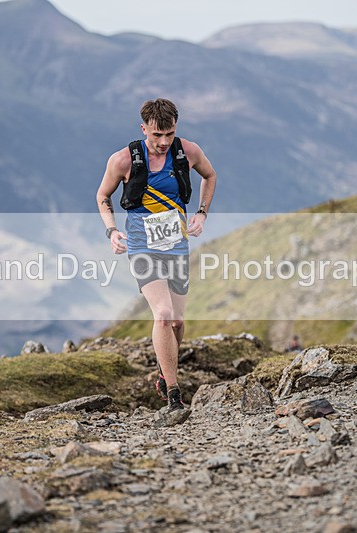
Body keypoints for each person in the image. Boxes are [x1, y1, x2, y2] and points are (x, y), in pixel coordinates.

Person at [96, 98, 217, 411]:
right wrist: (112, 231)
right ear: (143, 129)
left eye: (169, 134)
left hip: (176, 244)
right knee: (162, 314)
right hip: (141, 245)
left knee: (177, 322)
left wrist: (202, 213)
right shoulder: (123, 160)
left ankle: (165, 373)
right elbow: (102, 196)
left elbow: (210, 176)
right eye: (156, 136)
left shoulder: (188, 151)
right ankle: (174, 394)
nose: (163, 142)